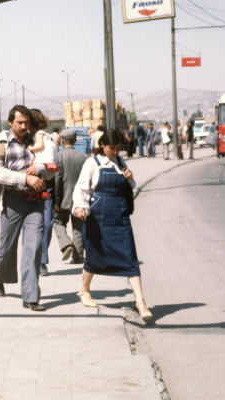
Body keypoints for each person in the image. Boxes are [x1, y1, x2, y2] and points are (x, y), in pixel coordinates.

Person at [71, 132, 154, 322]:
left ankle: (141, 302)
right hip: (98, 218)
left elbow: (130, 187)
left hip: (120, 217)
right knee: (94, 255)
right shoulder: (92, 163)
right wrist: (81, 207)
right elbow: (82, 188)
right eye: (111, 148)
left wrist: (130, 178)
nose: (115, 152)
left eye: (118, 148)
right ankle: (84, 290)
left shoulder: (121, 162)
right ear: (102, 146)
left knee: (130, 258)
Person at [0, 105, 49, 311]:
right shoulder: (0, 141)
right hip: (12, 201)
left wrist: (40, 168)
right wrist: (25, 178)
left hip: (35, 202)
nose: (24, 126)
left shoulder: (38, 140)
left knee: (33, 248)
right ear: (10, 123)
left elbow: (52, 165)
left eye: (26, 123)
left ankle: (30, 297)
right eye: (19, 123)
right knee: (6, 247)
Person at [53, 128, 89, 264]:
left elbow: (57, 180)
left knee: (58, 222)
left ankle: (66, 245)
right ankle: (78, 256)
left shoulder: (58, 157)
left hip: (63, 199)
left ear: (62, 141)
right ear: (74, 141)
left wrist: (56, 201)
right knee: (78, 227)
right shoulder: (84, 157)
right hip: (80, 200)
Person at [29, 110, 58, 277]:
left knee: (46, 225)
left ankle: (41, 260)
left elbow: (52, 168)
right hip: (28, 188)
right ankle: (33, 261)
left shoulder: (44, 140)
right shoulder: (25, 139)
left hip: (45, 188)